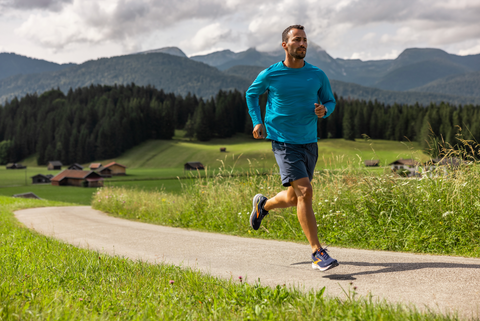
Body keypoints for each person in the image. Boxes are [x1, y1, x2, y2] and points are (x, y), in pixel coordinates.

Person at [246, 25, 339, 272]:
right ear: (285, 45)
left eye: (305, 40)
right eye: (297, 40)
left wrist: (325, 110)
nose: (302, 44)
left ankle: (262, 206)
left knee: (294, 196)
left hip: (309, 141)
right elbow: (251, 94)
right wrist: (257, 120)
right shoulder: (271, 73)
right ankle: (317, 253)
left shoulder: (317, 75)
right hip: (283, 141)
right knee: (305, 192)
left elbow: (330, 100)